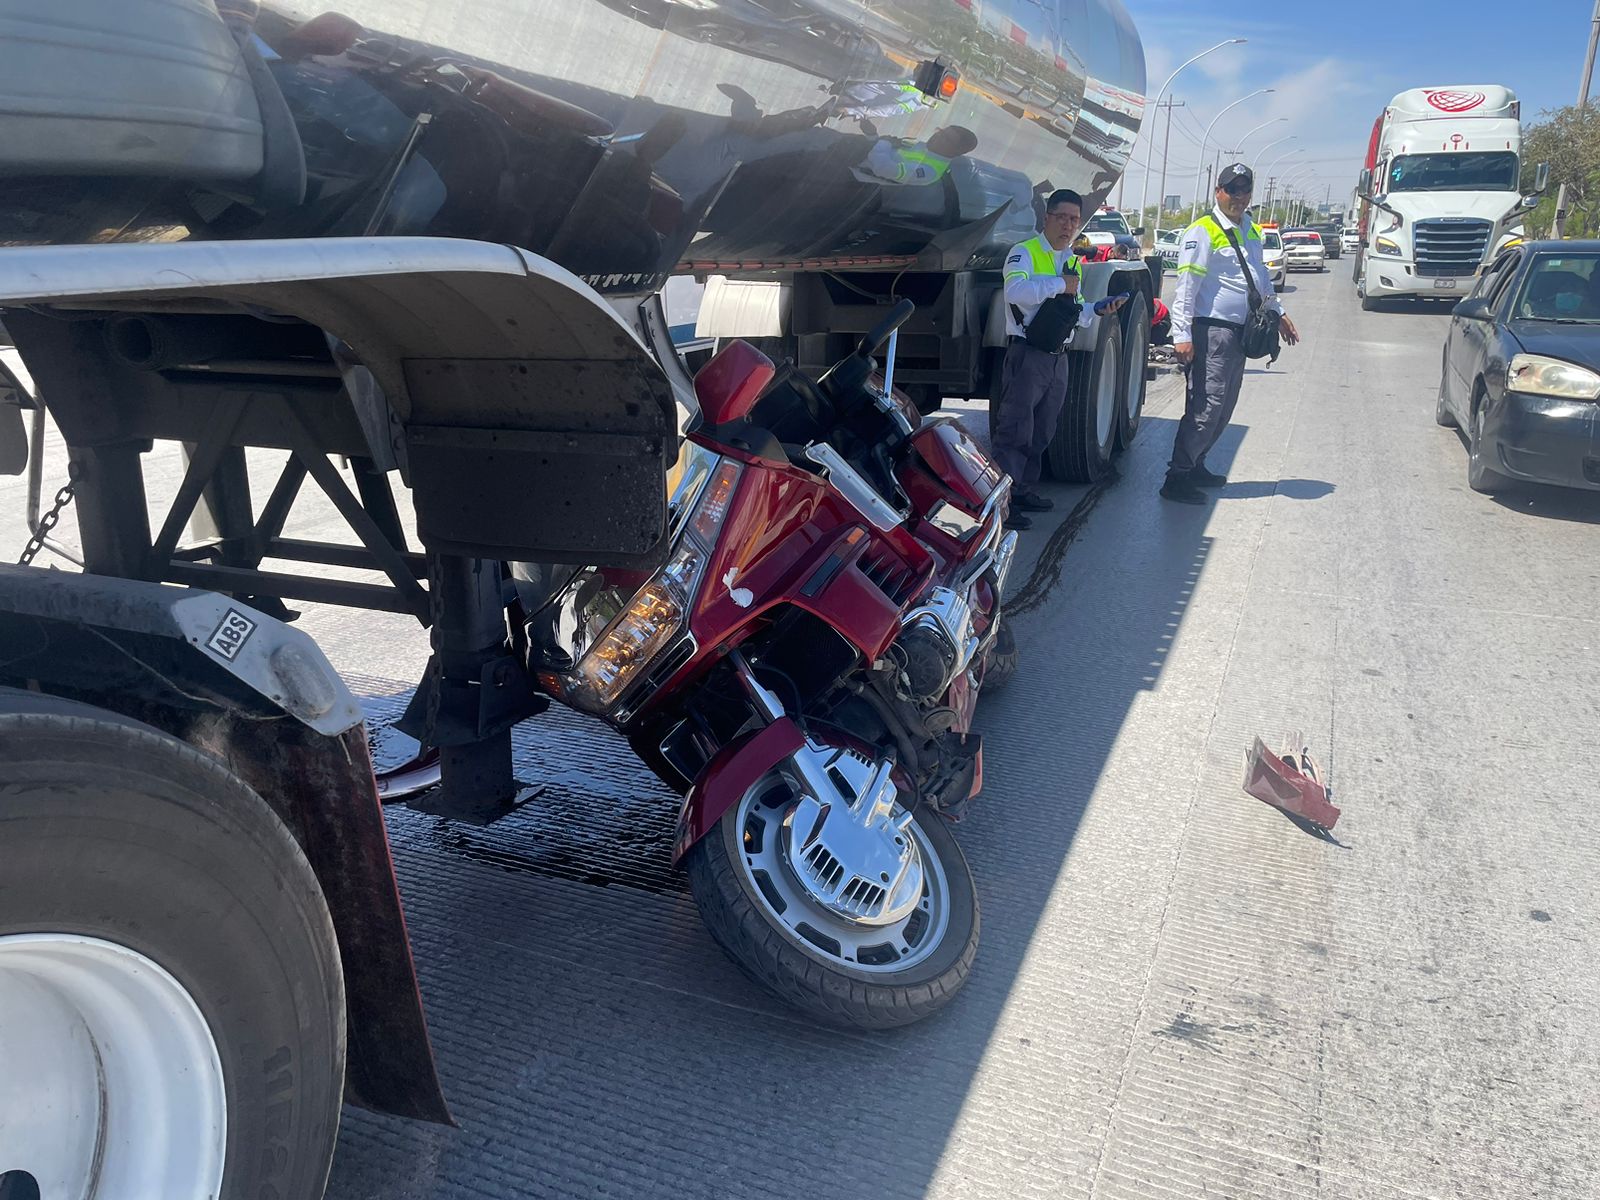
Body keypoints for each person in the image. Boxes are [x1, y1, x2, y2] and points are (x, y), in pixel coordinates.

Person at [1164, 163, 1301, 504]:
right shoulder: (1202, 231)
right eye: (1231, 190)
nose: (1238, 197)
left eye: (1244, 190)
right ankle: (1176, 477)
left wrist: (1278, 311)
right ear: (1218, 191)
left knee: (1225, 405)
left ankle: (1197, 464)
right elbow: (1185, 289)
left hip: (1241, 331)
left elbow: (1260, 278)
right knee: (1207, 405)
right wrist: (1181, 334)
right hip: (1211, 330)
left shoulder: (1251, 230)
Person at [994, 188, 1129, 530]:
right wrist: (1059, 285)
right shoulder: (1024, 252)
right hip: (1028, 355)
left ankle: (1023, 491)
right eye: (1062, 217)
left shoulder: (1071, 261)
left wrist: (1096, 309)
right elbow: (1015, 291)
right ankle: (1002, 507)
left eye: (1075, 220)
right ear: (1047, 218)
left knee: (1042, 431)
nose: (1068, 225)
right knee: (1015, 432)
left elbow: (1073, 310)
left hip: (1058, 358)